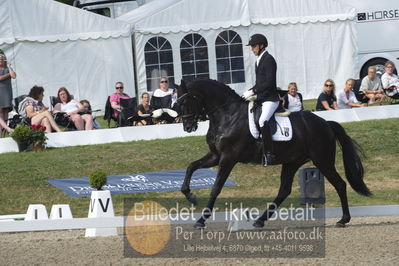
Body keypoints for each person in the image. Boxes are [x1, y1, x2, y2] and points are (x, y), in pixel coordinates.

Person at [242, 33, 280, 166]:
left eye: (254, 46)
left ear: (261, 45)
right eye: (252, 46)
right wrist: (250, 91)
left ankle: (269, 154)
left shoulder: (269, 59)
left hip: (271, 99)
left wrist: (254, 91)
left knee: (263, 121)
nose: (252, 49)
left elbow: (269, 82)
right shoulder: (259, 60)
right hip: (262, 98)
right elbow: (260, 83)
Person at [0, 54, 16, 133]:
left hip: (7, 92)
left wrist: (9, 67)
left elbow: (13, 76)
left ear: (4, 60)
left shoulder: (7, 68)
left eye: (2, 59)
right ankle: (4, 128)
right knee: (0, 111)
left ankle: (4, 130)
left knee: (6, 110)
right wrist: (8, 74)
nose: (1, 60)